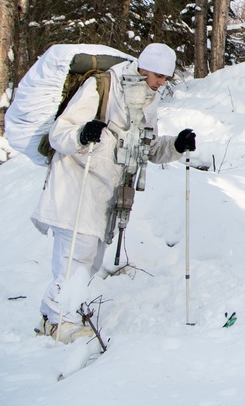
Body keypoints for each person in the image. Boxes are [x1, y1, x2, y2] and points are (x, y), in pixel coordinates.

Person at [31, 43, 197, 343]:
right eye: (157, 75)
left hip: (109, 190)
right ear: (142, 67)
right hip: (76, 182)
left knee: (92, 259)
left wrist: (176, 145)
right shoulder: (102, 85)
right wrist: (83, 134)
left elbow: (146, 147)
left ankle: (57, 314)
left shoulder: (148, 99)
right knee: (76, 255)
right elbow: (60, 133)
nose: (160, 82)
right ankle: (58, 320)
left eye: (165, 78)